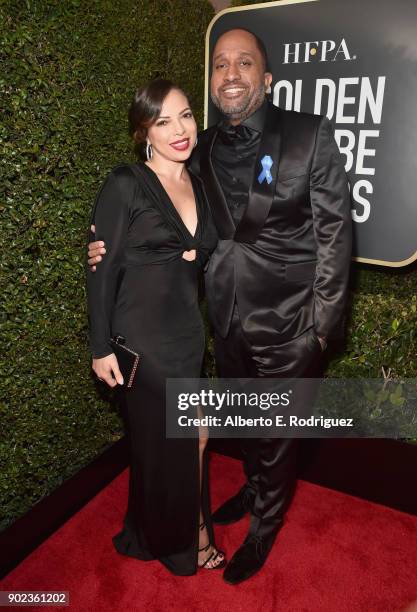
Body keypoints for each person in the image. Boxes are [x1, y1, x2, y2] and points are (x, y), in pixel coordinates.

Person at [88, 29, 352, 584]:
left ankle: (265, 527)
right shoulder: (199, 145)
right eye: (220, 64)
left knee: (279, 436)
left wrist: (321, 330)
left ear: (267, 78)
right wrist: (105, 251)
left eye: (245, 62)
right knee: (247, 427)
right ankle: (253, 491)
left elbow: (335, 236)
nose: (230, 73)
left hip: (290, 323)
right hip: (224, 319)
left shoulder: (309, 134)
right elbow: (168, 222)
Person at [86, 78, 225, 575]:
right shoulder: (126, 183)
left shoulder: (201, 182)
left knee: (171, 444)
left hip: (188, 333)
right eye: (163, 120)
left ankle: (148, 532)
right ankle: (191, 538)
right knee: (192, 437)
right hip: (143, 340)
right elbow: (100, 269)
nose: (179, 129)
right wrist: (100, 346)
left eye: (186, 115)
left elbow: (209, 253)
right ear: (145, 129)